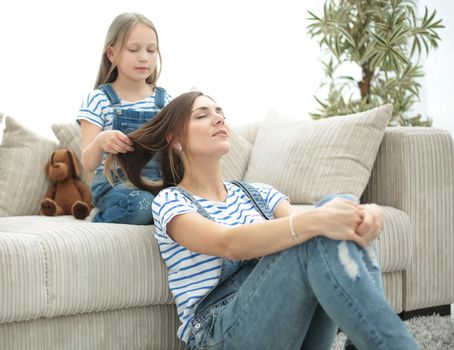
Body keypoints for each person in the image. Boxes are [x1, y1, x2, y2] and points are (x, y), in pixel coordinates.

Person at [104, 91, 419, 349]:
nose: (219, 118)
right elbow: (227, 244)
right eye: (202, 115)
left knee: (337, 208)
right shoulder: (171, 201)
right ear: (175, 139)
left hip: (286, 333)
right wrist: (324, 218)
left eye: (220, 112)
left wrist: (361, 214)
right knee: (320, 221)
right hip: (218, 335)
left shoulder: (258, 193)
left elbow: (317, 225)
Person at [77, 12, 171, 224]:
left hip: (157, 184)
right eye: (133, 49)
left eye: (151, 50)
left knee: (182, 204)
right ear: (111, 53)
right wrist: (101, 141)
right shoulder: (99, 100)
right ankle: (100, 219)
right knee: (142, 205)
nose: (144, 57)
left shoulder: (166, 101)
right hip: (114, 186)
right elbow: (88, 163)